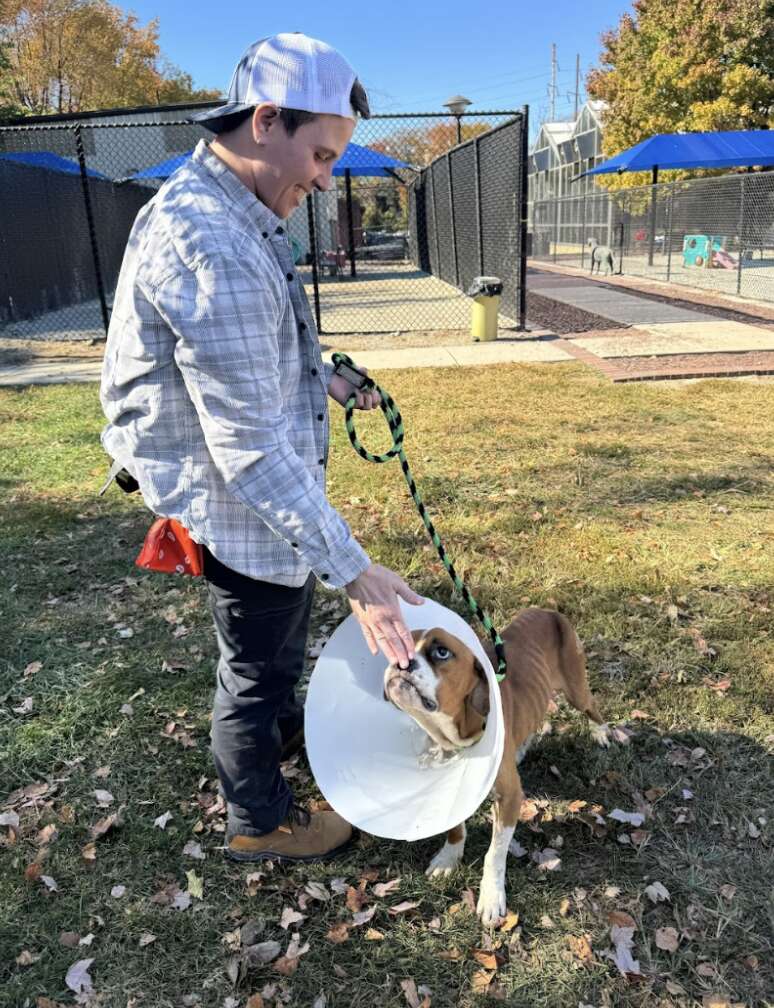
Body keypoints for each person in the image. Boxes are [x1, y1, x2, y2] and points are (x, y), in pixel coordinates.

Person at [99, 32, 424, 864]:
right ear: (265, 121)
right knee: (256, 661)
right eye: (318, 153)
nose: (323, 177)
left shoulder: (240, 209)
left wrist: (325, 378)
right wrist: (355, 570)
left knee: (279, 629)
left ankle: (275, 747)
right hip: (231, 491)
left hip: (256, 484)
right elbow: (245, 446)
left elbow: (261, 348)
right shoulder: (209, 241)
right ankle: (259, 818)